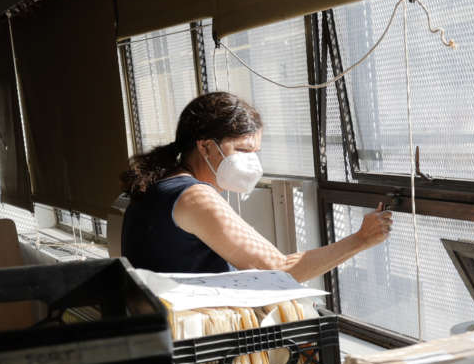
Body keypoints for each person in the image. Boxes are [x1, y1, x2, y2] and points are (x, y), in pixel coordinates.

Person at [120, 91, 391, 279]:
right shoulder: (195, 198)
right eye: (242, 149)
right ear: (205, 147)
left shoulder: (158, 186)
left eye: (255, 151)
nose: (252, 162)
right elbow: (279, 269)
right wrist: (361, 239)